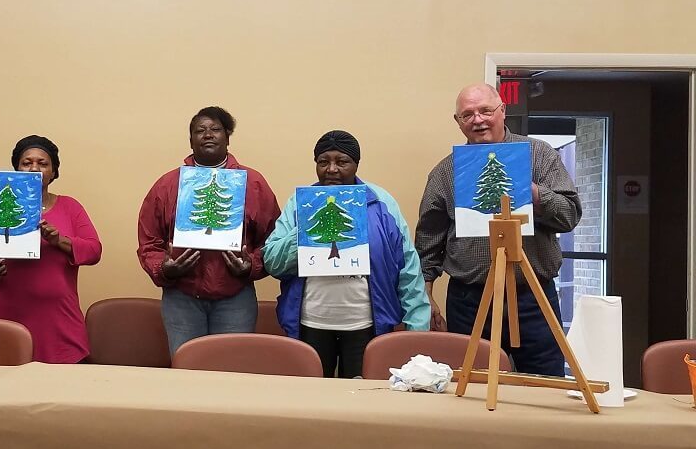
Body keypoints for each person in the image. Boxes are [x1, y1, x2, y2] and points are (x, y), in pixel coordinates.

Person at [415, 83, 582, 376]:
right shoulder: (445, 172)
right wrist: (425, 299)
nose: (478, 120)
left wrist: (532, 193)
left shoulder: (539, 155)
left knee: (544, 384)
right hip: (470, 299)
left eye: (485, 111)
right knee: (472, 383)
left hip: (533, 296)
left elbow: (570, 215)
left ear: (502, 111)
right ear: (458, 122)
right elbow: (428, 240)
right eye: (468, 115)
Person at [263, 130, 430, 378]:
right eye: (323, 162)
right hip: (311, 323)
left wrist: (417, 328)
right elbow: (272, 261)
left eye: (342, 161)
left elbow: (407, 266)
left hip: (364, 325)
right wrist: (305, 229)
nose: (332, 169)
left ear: (356, 165)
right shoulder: (300, 203)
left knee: (362, 401)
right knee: (313, 403)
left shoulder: (381, 203)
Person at [138, 106, 280, 354]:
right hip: (181, 297)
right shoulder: (168, 184)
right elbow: (149, 241)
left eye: (215, 129)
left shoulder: (253, 183)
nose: (208, 135)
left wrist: (252, 266)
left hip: (236, 297)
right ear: (190, 140)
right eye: (200, 130)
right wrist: (164, 268)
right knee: (187, 370)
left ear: (227, 137)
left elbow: (273, 238)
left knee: (232, 372)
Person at [0, 135, 102, 363]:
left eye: (43, 163)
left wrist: (60, 241)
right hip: (1, 313)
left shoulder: (70, 207)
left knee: (58, 391)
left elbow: (94, 250)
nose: (34, 168)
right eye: (26, 163)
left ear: (54, 171)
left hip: (55, 321)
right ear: (16, 169)